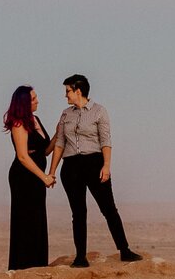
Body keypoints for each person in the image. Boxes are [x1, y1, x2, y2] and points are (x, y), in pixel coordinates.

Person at [53, 74, 141, 268]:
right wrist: (51, 172)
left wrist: (106, 166)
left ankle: (124, 250)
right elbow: (60, 143)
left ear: (78, 91)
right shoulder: (66, 114)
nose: (65, 95)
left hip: (94, 163)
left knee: (108, 208)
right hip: (71, 167)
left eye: (67, 91)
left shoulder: (99, 111)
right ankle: (80, 257)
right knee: (78, 212)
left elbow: (105, 141)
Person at [3, 85, 57, 270]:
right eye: (33, 99)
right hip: (24, 177)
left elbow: (45, 151)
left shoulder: (36, 120)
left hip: (37, 176)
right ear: (24, 103)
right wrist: (44, 177)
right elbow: (23, 156)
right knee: (26, 219)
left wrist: (58, 134)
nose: (37, 101)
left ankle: (38, 262)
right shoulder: (19, 123)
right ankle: (23, 265)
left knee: (38, 218)